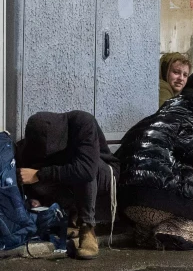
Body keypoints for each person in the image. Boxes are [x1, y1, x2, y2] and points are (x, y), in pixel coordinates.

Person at [118, 94, 193, 250]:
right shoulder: (180, 121)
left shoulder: (141, 124)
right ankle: (176, 232)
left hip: (128, 206)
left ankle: (144, 234)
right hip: (160, 205)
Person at [15, 111, 119, 260]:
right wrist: (35, 197)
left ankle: (87, 227)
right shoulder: (33, 138)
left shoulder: (83, 122)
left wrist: (39, 175)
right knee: (36, 181)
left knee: (82, 170)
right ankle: (69, 216)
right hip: (69, 177)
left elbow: (86, 171)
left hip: (103, 173)